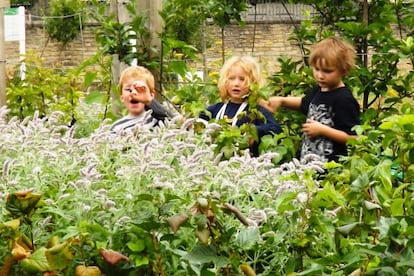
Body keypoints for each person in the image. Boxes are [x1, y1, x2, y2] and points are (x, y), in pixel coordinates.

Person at [260, 37, 360, 162]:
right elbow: (304, 103)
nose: (320, 75)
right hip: (308, 163)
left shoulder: (344, 99)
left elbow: (354, 138)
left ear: (344, 71)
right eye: (317, 69)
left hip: (330, 169)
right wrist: (282, 101)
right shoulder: (319, 89)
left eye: (327, 71)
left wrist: (323, 130)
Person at [200, 55, 282, 157]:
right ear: (225, 81)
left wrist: (255, 131)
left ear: (253, 83)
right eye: (232, 78)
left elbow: (275, 128)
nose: (236, 84)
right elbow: (199, 122)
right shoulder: (216, 109)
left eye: (242, 79)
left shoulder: (256, 111)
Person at [110, 65, 174, 133]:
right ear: (122, 97)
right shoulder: (117, 127)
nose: (134, 93)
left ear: (151, 95)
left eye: (140, 89)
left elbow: (175, 122)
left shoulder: (158, 120)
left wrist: (149, 101)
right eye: (129, 89)